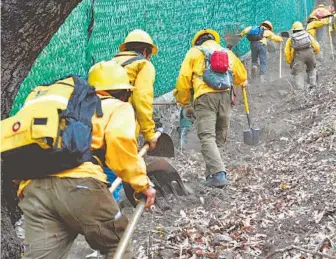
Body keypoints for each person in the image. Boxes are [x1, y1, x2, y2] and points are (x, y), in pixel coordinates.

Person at [18, 61, 156, 259]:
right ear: (123, 92)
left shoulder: (60, 110)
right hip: (80, 186)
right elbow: (120, 141)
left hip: (34, 188)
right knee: (117, 243)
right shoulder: (117, 107)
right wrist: (141, 184)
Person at [174, 29, 247, 188]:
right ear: (214, 39)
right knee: (219, 137)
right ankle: (212, 175)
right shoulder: (227, 52)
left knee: (207, 136)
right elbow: (241, 76)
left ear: (197, 41)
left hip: (205, 98)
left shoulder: (194, 53)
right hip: (226, 97)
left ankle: (219, 174)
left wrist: (184, 102)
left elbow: (183, 79)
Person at [112, 29, 158, 150]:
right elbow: (142, 99)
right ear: (145, 51)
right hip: (123, 124)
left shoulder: (110, 63)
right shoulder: (143, 65)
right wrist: (149, 134)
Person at [285, 22, 320, 90]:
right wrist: (315, 52)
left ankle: (300, 89)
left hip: (298, 55)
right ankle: (313, 86)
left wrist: (290, 61)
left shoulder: (291, 39)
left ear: (293, 30)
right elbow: (316, 46)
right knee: (311, 69)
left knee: (298, 72)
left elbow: (287, 52)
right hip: (310, 53)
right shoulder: (307, 35)